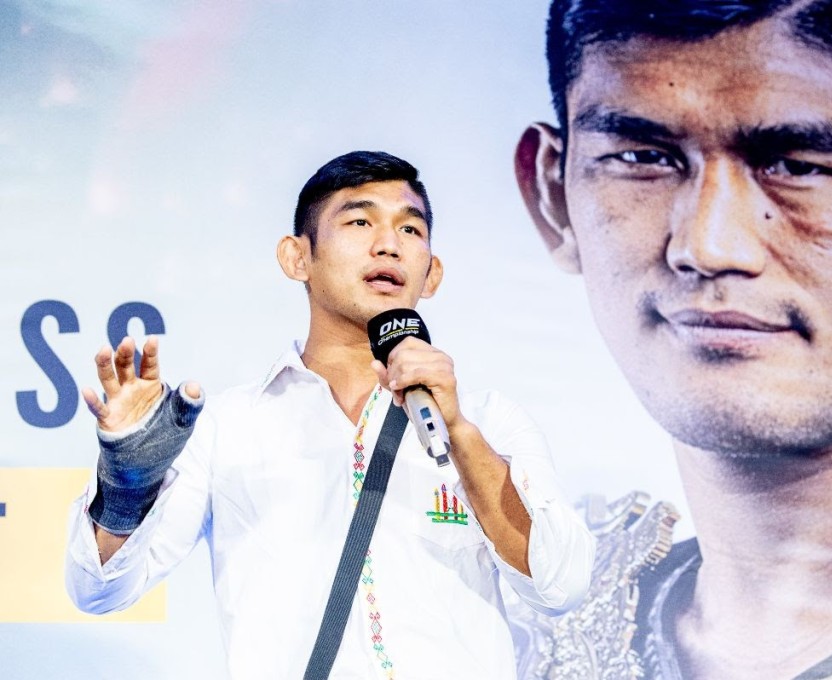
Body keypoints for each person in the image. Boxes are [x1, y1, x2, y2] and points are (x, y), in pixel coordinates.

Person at [510, 0, 832, 678]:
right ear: (553, 196)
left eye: (798, 165)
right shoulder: (507, 634)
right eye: (641, 157)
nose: (707, 245)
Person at [65, 150, 594, 679]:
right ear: (298, 258)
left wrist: (457, 431)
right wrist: (126, 487)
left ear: (431, 274)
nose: (388, 243)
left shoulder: (488, 420)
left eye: (410, 230)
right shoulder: (230, 426)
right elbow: (99, 591)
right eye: (360, 221)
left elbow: (560, 584)